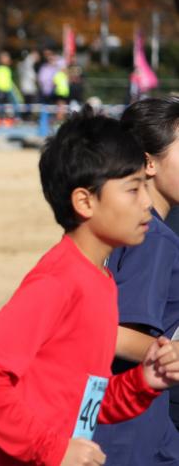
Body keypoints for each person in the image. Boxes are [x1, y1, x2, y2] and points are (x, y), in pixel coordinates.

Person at [0, 107, 179, 465]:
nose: (146, 202)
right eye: (133, 190)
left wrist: (144, 380)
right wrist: (51, 448)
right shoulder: (59, 281)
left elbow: (85, 399)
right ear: (85, 201)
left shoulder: (100, 283)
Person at [93, 97, 179, 464]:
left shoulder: (116, 228)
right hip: (133, 427)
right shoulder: (155, 238)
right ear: (149, 162)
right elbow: (112, 333)